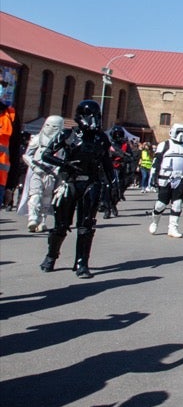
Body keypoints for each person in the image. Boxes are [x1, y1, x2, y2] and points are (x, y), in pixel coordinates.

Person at [38, 99, 112, 276]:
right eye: (90, 116)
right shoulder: (67, 134)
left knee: (86, 225)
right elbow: (46, 155)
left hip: (91, 182)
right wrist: (65, 164)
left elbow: (107, 163)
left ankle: (82, 263)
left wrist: (111, 187)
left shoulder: (101, 138)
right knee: (61, 225)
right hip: (69, 181)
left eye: (97, 116)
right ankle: (51, 256)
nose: (94, 120)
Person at [19, 115, 64, 231]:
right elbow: (26, 155)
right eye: (48, 125)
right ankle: (33, 218)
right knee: (35, 195)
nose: (50, 128)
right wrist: (33, 165)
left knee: (47, 198)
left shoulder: (61, 144)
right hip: (37, 171)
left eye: (54, 127)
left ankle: (42, 220)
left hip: (51, 174)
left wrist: (59, 170)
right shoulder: (37, 139)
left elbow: (63, 159)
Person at [149, 123, 183, 238]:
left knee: (177, 204)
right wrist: (153, 177)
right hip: (165, 178)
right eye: (179, 132)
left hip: (181, 179)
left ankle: (173, 228)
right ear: (173, 132)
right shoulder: (164, 145)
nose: (181, 135)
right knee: (161, 204)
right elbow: (156, 162)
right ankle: (155, 221)